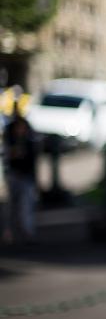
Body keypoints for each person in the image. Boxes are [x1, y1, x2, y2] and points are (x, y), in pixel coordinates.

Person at [2, 98, 38, 244]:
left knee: (25, 205)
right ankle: (10, 232)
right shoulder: (9, 131)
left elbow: (33, 157)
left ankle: (27, 232)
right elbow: (5, 152)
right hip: (13, 173)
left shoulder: (29, 133)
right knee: (11, 207)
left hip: (25, 175)